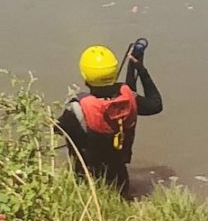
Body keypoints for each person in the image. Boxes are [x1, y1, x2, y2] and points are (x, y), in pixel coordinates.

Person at [55, 39, 162, 196]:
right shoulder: (127, 101)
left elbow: (57, 129)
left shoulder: (77, 109)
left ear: (85, 76)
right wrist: (139, 68)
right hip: (120, 181)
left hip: (86, 182)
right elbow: (155, 105)